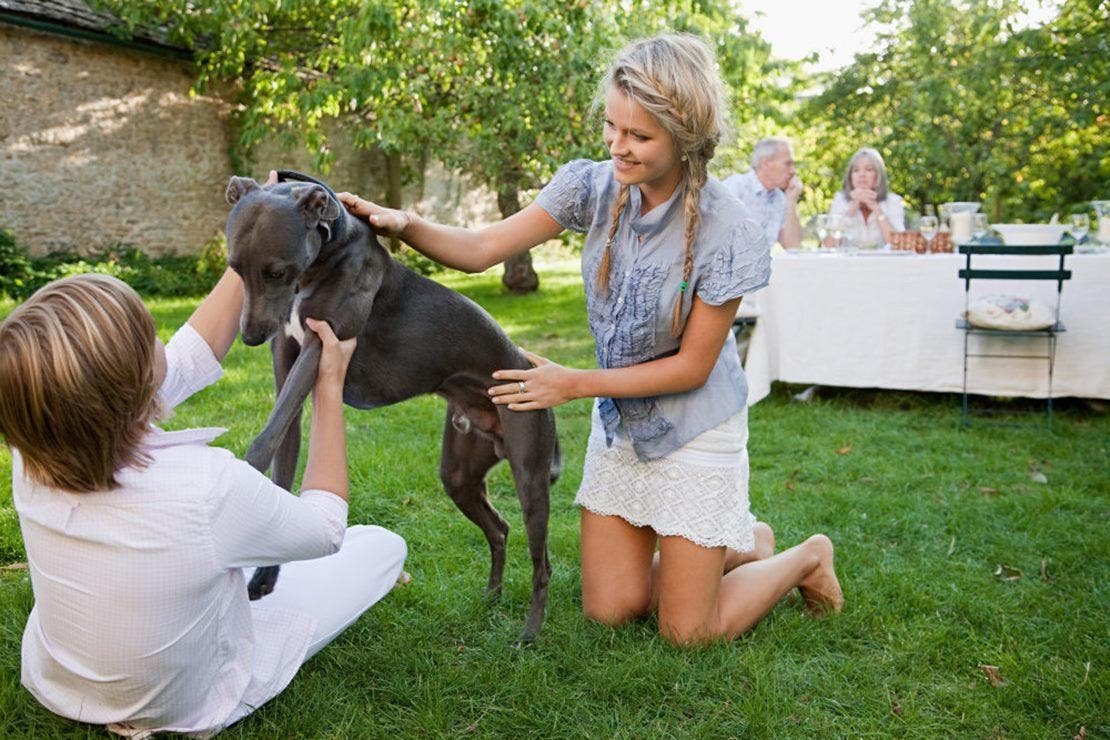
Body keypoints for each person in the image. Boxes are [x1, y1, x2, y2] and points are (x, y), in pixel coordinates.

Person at [337, 33, 842, 645]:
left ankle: (804, 556)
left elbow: (692, 368)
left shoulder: (727, 227)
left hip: (694, 430)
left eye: (638, 136)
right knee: (609, 608)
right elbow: (480, 249)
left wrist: (572, 384)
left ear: (683, 136)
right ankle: (745, 543)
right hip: (622, 427)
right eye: (611, 126)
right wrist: (403, 223)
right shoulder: (591, 186)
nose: (616, 146)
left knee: (689, 633)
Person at [0, 262, 407, 735]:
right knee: (379, 544)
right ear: (129, 382)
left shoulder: (35, 448)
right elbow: (325, 527)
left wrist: (251, 253)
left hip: (63, 684)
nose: (161, 341)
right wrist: (328, 387)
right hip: (180, 707)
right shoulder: (207, 487)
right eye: (148, 334)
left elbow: (189, 359)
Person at [721, 137, 804, 250]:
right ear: (765, 163)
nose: (792, 171)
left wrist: (791, 200)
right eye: (787, 164)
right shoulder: (735, 187)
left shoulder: (780, 198)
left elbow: (792, 245)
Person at [826, 147, 905, 247]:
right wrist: (852, 208)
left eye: (869, 169)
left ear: (878, 175)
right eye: (856, 170)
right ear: (851, 176)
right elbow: (829, 245)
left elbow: (899, 244)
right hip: (848, 262)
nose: (862, 175)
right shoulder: (840, 200)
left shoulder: (893, 201)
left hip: (883, 262)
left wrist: (876, 208)